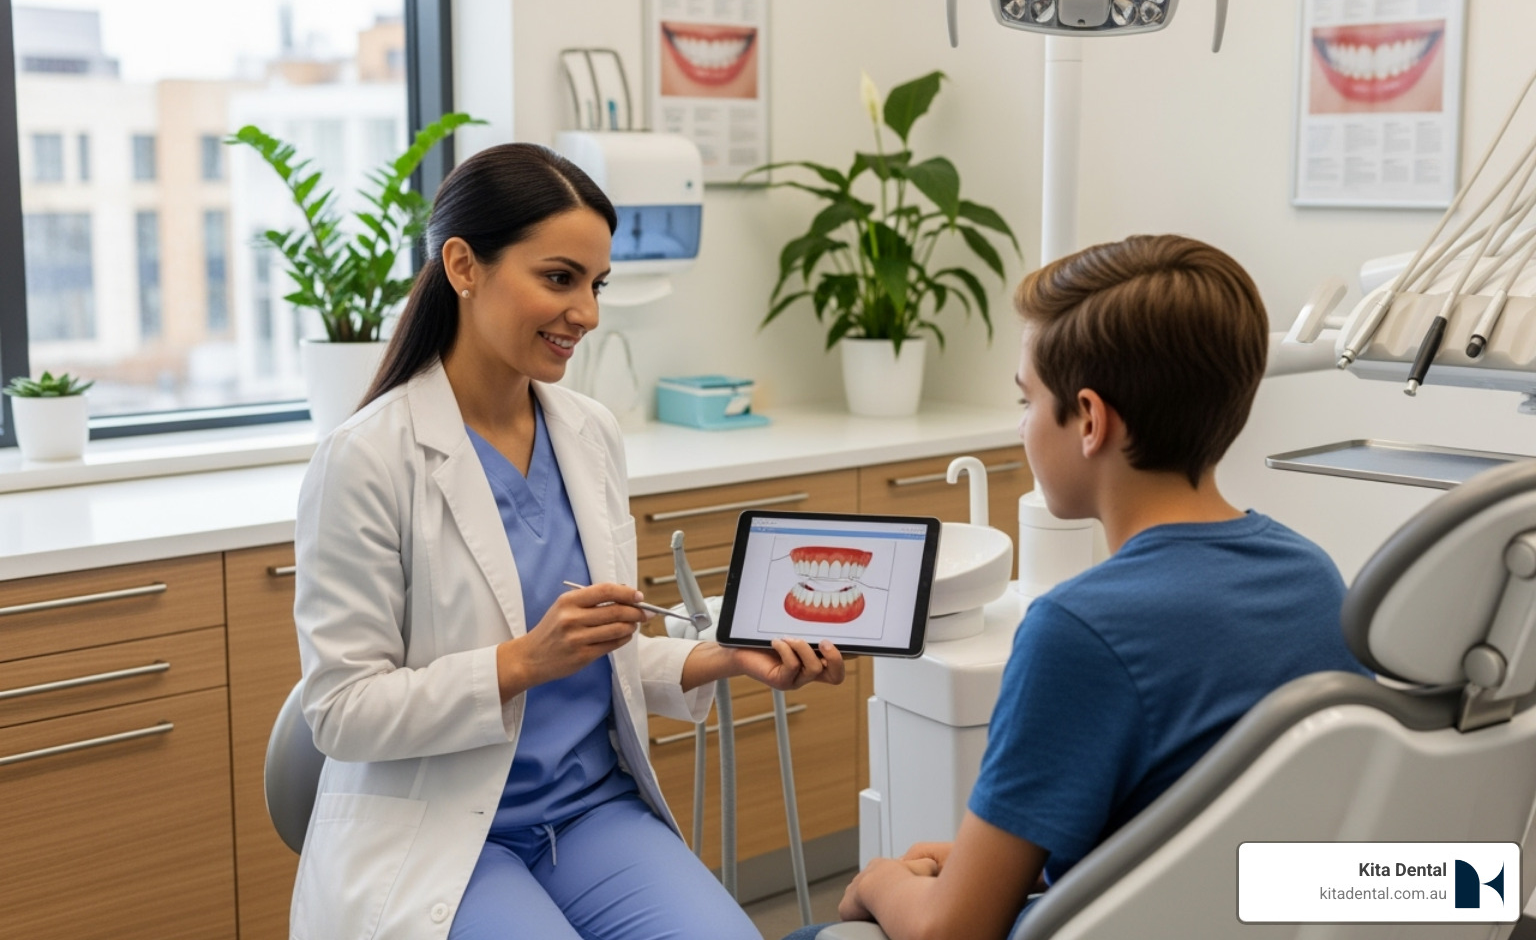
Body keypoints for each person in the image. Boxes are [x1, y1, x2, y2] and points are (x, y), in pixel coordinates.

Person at [291, 142, 844, 940]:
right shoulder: (368, 458)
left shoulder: (588, 433)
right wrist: (523, 662)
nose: (585, 312)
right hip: (447, 832)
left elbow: (606, 654)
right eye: (559, 278)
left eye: (595, 284)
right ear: (463, 265)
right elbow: (342, 713)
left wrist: (724, 654)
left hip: (590, 812)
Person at [786, 234, 1366, 940]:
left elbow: (952, 933)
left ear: (1090, 420)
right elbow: (1197, 820)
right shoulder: (1310, 575)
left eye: (1026, 400)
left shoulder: (1078, 628)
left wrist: (878, 884)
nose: (1024, 426)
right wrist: (996, 862)